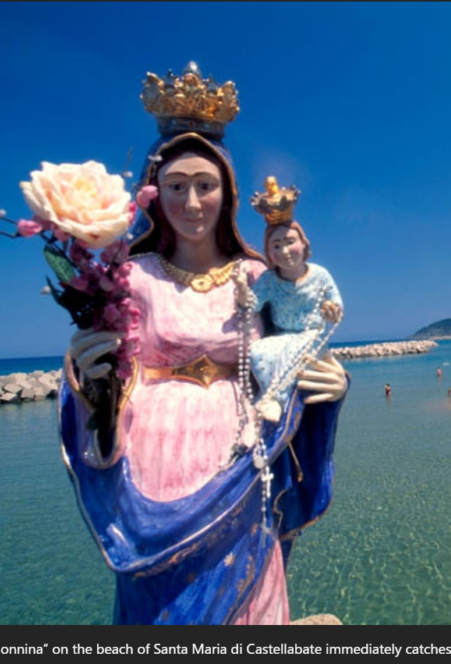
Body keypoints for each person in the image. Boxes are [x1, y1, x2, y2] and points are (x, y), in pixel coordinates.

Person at [61, 64, 348, 625]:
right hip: (152, 465)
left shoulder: (258, 275)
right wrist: (89, 380)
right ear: (154, 193)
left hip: (241, 455)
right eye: (176, 186)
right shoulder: (132, 276)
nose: (191, 202)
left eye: (205, 185)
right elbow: (108, 378)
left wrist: (333, 384)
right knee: (160, 606)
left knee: (251, 596)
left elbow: (298, 344)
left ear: (228, 193)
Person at [244, 179, 342, 423]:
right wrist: (240, 291)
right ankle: (270, 396)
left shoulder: (319, 274)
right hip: (283, 335)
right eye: (276, 245)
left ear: (303, 243)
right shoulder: (268, 279)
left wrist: (331, 312)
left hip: (312, 334)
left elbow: (336, 306)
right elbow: (253, 305)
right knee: (258, 350)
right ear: (269, 251)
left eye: (290, 242)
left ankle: (276, 401)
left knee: (296, 352)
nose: (285, 250)